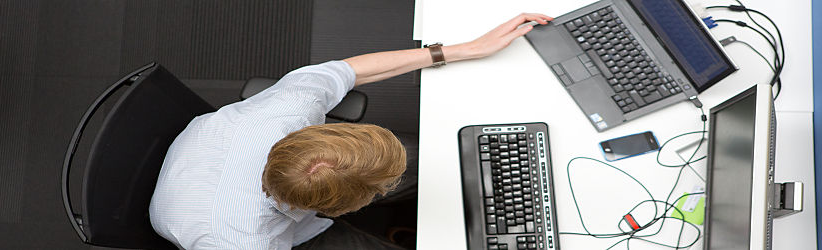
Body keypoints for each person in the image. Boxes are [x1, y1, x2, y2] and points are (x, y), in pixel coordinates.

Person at [148, 13, 554, 249]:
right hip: (227, 220)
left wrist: (460, 49)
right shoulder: (240, 242)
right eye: (381, 188)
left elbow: (349, 70)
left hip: (211, 160)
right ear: (343, 207)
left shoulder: (289, 109)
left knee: (435, 161)